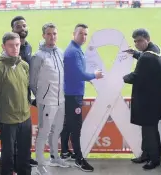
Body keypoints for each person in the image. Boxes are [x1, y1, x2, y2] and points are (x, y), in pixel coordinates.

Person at [61, 23, 104, 172]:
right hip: (73, 95)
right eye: (81, 33)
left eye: (86, 34)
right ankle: (79, 159)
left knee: (68, 124)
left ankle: (65, 151)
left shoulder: (76, 50)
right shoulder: (73, 52)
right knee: (75, 127)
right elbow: (79, 74)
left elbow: (75, 74)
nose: (84, 37)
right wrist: (95, 76)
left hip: (72, 93)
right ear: (74, 34)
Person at [0, 32, 32, 175]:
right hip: (8, 121)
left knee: (25, 154)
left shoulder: (24, 65)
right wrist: (7, 109)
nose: (15, 48)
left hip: (25, 118)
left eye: (17, 45)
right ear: (3, 46)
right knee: (8, 155)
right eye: (11, 45)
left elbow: (26, 91)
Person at [30, 23, 71, 173]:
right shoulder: (38, 56)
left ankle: (55, 157)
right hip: (47, 101)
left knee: (57, 130)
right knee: (43, 132)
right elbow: (32, 81)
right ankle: (41, 165)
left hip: (61, 99)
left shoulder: (60, 52)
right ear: (43, 36)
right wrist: (42, 96)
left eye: (54, 33)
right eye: (48, 34)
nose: (52, 36)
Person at [123, 28, 161, 170]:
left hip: (147, 100)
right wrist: (135, 54)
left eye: (139, 41)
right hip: (153, 98)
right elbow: (145, 57)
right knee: (148, 130)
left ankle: (154, 159)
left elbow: (135, 76)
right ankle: (146, 154)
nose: (136, 44)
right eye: (135, 42)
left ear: (147, 39)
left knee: (149, 131)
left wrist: (121, 77)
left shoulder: (147, 57)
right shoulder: (156, 49)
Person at [10, 15, 39, 168]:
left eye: (24, 26)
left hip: (26, 95)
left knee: (25, 132)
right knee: (15, 133)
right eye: (18, 27)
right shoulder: (12, 48)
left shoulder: (28, 47)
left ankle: (25, 157)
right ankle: (15, 162)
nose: (22, 29)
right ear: (12, 29)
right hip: (14, 98)